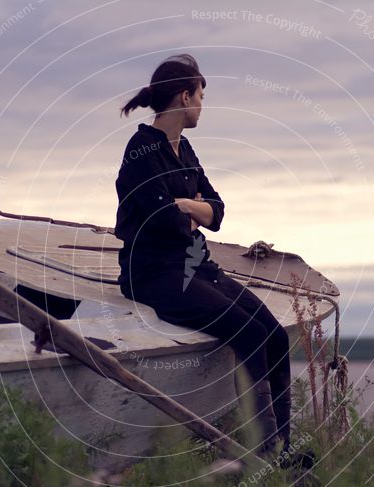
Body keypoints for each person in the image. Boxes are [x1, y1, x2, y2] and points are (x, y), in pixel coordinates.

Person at [114, 54, 292, 456]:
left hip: (198, 267)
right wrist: (191, 210)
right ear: (184, 96)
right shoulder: (141, 148)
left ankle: (285, 446)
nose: (202, 104)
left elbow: (218, 210)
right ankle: (264, 453)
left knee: (275, 336)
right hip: (156, 274)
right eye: (201, 95)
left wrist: (191, 206)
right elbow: (165, 220)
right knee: (249, 333)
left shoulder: (186, 150)